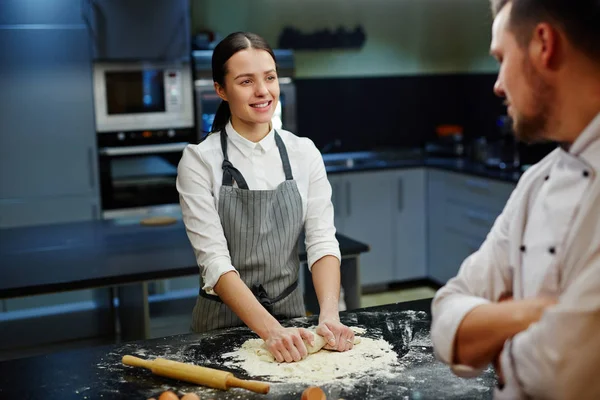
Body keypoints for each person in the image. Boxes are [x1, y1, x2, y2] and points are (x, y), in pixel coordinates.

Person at [430, 1, 600, 399]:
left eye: (501, 58)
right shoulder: (535, 182)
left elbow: (559, 375)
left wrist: (494, 334)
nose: (497, 85)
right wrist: (535, 312)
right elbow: (446, 311)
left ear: (544, 44)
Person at [176, 32, 354, 363]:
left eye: (270, 78)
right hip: (220, 329)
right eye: (246, 81)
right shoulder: (199, 160)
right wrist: (270, 330)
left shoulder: (304, 153)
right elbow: (214, 263)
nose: (263, 91)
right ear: (220, 89)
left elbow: (322, 242)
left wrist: (329, 313)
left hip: (293, 322)